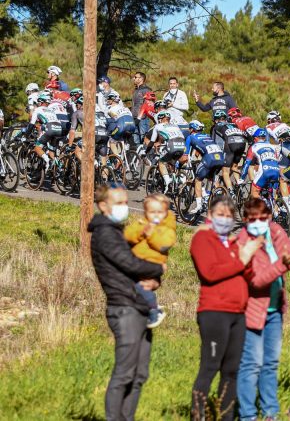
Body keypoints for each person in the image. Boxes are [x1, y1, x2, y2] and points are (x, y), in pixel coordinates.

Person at [89, 183, 165, 421]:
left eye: (125, 202)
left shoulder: (118, 232)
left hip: (138, 305)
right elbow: (129, 264)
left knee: (139, 374)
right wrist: (158, 268)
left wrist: (154, 280)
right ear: (103, 206)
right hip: (124, 308)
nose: (125, 207)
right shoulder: (105, 234)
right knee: (124, 373)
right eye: (119, 203)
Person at [236, 198, 290, 421]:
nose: (260, 222)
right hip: (251, 310)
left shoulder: (276, 232)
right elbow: (257, 281)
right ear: (245, 220)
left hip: (275, 310)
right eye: (254, 219)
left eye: (264, 217)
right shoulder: (243, 241)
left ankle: (271, 413)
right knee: (251, 365)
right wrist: (283, 263)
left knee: (270, 363)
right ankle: (247, 415)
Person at [189, 196, 257, 421]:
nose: (225, 220)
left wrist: (250, 257)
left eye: (230, 216)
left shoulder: (233, 243)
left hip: (238, 313)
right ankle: (198, 415)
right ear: (210, 216)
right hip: (214, 311)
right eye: (221, 215)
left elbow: (246, 274)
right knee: (210, 366)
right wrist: (242, 259)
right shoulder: (203, 238)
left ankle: (226, 416)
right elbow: (210, 272)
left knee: (231, 371)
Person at [124, 193, 177, 328]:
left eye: (160, 212)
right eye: (152, 212)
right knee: (132, 288)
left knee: (142, 287)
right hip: (136, 262)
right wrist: (141, 232)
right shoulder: (142, 223)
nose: (156, 215)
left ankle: (154, 309)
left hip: (152, 264)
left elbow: (164, 244)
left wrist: (151, 234)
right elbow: (128, 235)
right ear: (145, 212)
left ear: (166, 212)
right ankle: (142, 311)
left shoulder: (167, 229)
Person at [185, 120, 227, 214]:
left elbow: (185, 156)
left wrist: (178, 164)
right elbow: (200, 150)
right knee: (211, 178)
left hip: (209, 158)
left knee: (198, 180)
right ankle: (218, 194)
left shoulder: (190, 137)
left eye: (189, 128)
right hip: (220, 157)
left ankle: (199, 205)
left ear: (192, 129)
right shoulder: (207, 136)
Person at [144, 111, 187, 190]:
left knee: (162, 162)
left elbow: (152, 142)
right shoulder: (175, 126)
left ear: (160, 119)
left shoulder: (158, 126)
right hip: (182, 144)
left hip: (172, 145)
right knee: (172, 161)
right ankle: (181, 181)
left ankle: (168, 183)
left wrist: (146, 152)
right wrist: (160, 142)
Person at [241, 128, 284, 200]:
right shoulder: (272, 146)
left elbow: (247, 164)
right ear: (264, 138)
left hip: (265, 171)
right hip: (276, 170)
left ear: (255, 138)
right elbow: (277, 160)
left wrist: (242, 178)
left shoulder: (253, 147)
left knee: (254, 192)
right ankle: (274, 210)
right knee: (272, 197)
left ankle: (263, 208)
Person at [211, 109, 248, 190]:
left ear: (216, 120)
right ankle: (239, 183)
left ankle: (230, 191)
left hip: (230, 145)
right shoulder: (233, 124)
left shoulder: (216, 126)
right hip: (242, 144)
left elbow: (215, 142)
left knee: (225, 171)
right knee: (234, 167)